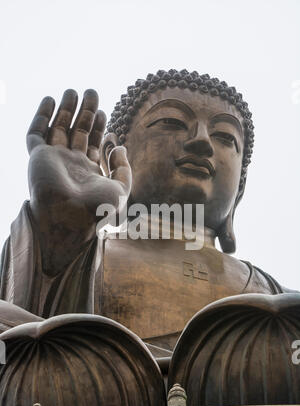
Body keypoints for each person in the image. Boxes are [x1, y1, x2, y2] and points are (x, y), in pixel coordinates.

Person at [0, 70, 297, 355]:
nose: (202, 141)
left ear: (240, 190)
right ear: (113, 155)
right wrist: (60, 227)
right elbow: (37, 356)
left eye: (225, 137)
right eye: (172, 121)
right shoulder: (88, 253)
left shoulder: (270, 292)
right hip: (107, 396)